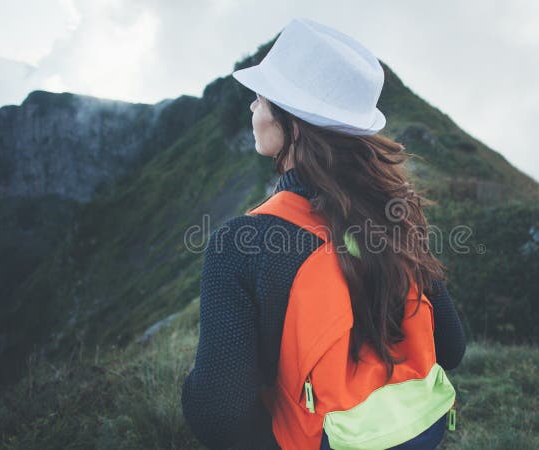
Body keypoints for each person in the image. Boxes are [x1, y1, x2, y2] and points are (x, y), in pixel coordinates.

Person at [182, 18, 467, 449]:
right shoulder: (397, 215)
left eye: (260, 99)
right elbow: (451, 347)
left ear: (291, 121)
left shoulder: (242, 244)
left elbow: (218, 414)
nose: (252, 109)